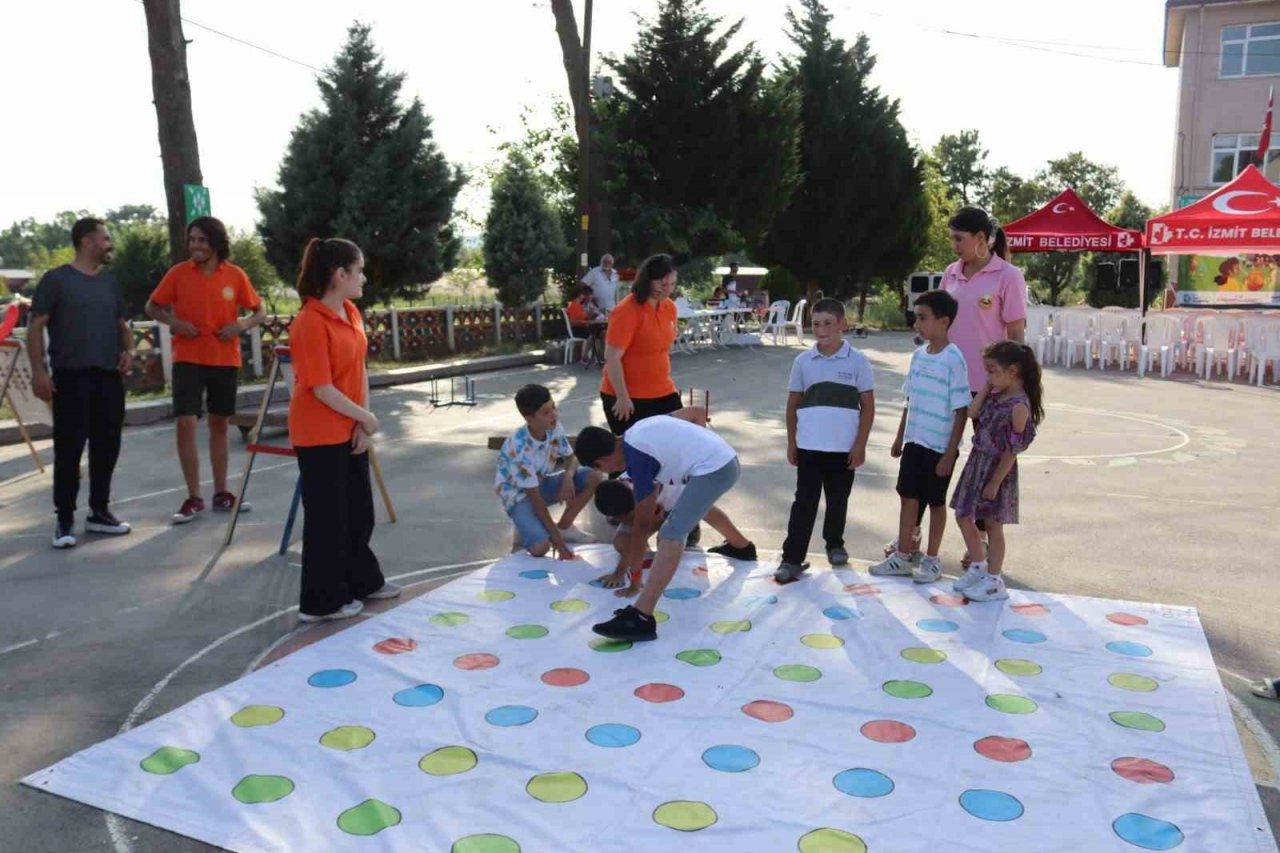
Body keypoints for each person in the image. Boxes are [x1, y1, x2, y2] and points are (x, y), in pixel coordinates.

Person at [887, 206, 1029, 563]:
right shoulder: (951, 273)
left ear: (982, 239)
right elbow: (938, 321)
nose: (954, 245)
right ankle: (909, 535)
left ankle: (979, 539)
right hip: (944, 382)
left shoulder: (1008, 276)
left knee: (986, 461)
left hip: (987, 388)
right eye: (952, 237)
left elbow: (1016, 334)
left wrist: (1015, 384)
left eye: (959, 238)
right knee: (926, 456)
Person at [288, 237, 399, 622]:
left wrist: (362, 421)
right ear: (339, 274)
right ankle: (321, 602)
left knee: (359, 513)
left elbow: (358, 370)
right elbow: (321, 388)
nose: (364, 278)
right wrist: (363, 417)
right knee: (327, 520)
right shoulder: (309, 321)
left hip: (350, 427)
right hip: (318, 434)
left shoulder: (350, 312)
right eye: (359, 270)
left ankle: (362, 581)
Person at [575, 415, 753, 641]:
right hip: (721, 460)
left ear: (602, 461)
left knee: (671, 532)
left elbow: (642, 525)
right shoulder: (634, 437)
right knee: (695, 510)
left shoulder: (638, 457)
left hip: (714, 468)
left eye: (600, 468)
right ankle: (742, 548)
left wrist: (635, 579)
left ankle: (641, 616)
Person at [145, 217, 266, 524]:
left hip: (225, 359)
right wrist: (174, 323)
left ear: (215, 242)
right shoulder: (178, 273)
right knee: (186, 423)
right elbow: (152, 307)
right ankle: (194, 497)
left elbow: (260, 311)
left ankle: (222, 493)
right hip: (188, 358)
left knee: (219, 424)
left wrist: (241, 325)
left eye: (201, 240)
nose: (195, 246)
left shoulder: (235, 275)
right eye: (191, 240)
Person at [27, 217, 134, 548]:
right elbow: (35, 326)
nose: (110, 244)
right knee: (69, 450)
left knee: (107, 446)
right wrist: (38, 371)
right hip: (71, 378)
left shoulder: (109, 282)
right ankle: (64, 520)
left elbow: (123, 325)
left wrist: (129, 351)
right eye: (106, 238)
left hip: (109, 378)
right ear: (87, 242)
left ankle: (99, 512)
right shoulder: (56, 280)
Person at [869, 290, 970, 584]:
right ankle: (902, 556)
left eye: (923, 318)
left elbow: (961, 410)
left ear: (944, 321)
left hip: (939, 446)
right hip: (915, 441)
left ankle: (932, 560)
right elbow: (909, 399)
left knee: (936, 503)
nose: (917, 324)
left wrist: (949, 453)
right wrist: (900, 437)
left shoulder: (954, 360)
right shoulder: (917, 357)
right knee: (908, 498)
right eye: (916, 318)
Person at [774, 298, 875, 583]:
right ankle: (792, 558)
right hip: (809, 447)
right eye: (816, 324)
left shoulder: (858, 361)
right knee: (804, 502)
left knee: (838, 500)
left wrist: (860, 444)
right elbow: (792, 405)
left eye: (828, 323)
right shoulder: (803, 362)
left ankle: (835, 544)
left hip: (844, 449)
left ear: (843, 324)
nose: (821, 330)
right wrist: (792, 442)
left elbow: (868, 407)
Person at [592, 444, 757, 598]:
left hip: (675, 506)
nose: (626, 522)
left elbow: (642, 533)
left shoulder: (651, 492)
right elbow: (634, 535)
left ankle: (741, 545)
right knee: (622, 543)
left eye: (629, 518)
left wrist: (623, 573)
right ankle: (738, 544)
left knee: (668, 543)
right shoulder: (617, 494)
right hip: (656, 510)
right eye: (620, 519)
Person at [949, 341, 1044, 602]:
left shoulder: (1019, 406)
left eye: (993, 371)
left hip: (996, 469)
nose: (989, 377)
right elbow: (972, 412)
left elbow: (1012, 450)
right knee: (963, 514)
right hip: (977, 462)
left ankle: (994, 579)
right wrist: (987, 387)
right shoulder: (995, 394)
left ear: (1013, 371)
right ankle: (979, 566)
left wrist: (994, 482)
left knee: (993, 524)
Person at [496, 384, 602, 558]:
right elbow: (536, 500)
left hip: (541, 484)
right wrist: (558, 543)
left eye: (553, 407)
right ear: (529, 418)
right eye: (546, 412)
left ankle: (564, 527)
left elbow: (571, 457)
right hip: (519, 496)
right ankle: (523, 524)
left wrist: (568, 477)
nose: (554, 415)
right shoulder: (519, 448)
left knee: (594, 475)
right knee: (541, 548)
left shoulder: (553, 427)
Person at [600, 253, 682, 435]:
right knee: (638, 448)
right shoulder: (626, 311)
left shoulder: (670, 307)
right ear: (648, 280)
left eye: (672, 284)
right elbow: (612, 358)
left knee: (679, 438)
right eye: (663, 285)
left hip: (664, 389)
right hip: (628, 395)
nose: (668, 290)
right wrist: (622, 397)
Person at [565, 285, 604, 366]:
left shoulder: (579, 305)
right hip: (576, 329)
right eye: (583, 294)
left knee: (599, 333)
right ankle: (584, 357)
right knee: (593, 335)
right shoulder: (572, 305)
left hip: (583, 327)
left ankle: (599, 357)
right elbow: (573, 322)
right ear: (579, 295)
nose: (584, 296)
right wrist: (585, 322)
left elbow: (584, 317)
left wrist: (591, 315)